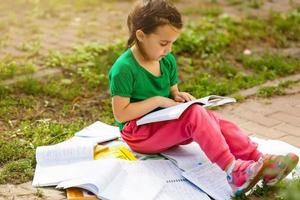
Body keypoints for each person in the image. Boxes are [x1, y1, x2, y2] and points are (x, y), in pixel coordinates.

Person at [108, 0, 299, 196]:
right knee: (195, 115)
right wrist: (158, 101)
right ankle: (233, 170)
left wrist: (177, 95)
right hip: (139, 134)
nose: (169, 50)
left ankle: (262, 162)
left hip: (163, 123)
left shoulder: (166, 60)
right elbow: (121, 115)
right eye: (163, 43)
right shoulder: (124, 68)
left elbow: (172, 91)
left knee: (215, 121)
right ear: (141, 35)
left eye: (172, 43)